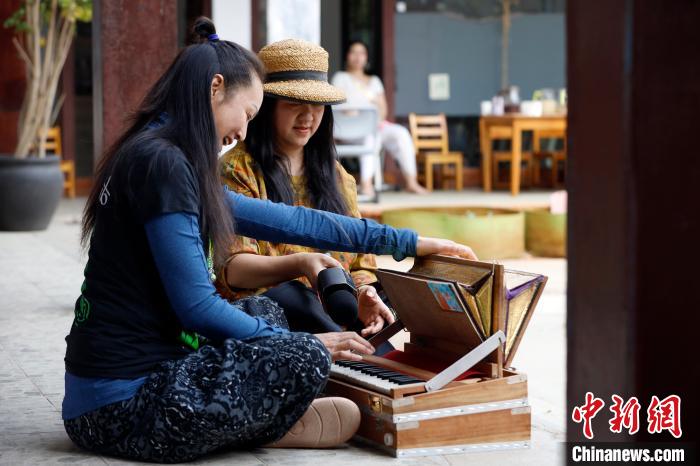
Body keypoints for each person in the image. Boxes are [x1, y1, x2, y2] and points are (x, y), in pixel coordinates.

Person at [62, 19, 476, 463]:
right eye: (248, 114)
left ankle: (258, 416)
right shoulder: (164, 165)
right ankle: (259, 423)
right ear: (215, 88)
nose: (242, 130)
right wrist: (310, 346)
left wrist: (409, 243)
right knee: (302, 354)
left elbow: (296, 222)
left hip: (140, 379)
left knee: (269, 311)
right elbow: (197, 307)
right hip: (121, 406)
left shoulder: (164, 156)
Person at [219, 39, 391, 336]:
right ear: (266, 107)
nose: (308, 116)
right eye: (294, 103)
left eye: (317, 105)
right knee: (294, 297)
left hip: (336, 309)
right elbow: (233, 269)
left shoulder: (337, 176)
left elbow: (363, 263)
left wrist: (365, 294)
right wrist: (301, 265)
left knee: (390, 297)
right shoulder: (238, 170)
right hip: (270, 317)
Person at [331, 40, 428, 196]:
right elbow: (336, 106)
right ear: (347, 56)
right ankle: (366, 183)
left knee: (401, 133)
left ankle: (411, 182)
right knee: (371, 137)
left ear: (366, 57)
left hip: (376, 125)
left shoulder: (375, 81)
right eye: (353, 52)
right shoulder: (340, 78)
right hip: (349, 129)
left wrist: (377, 116)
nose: (357, 56)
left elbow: (383, 109)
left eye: (361, 53)